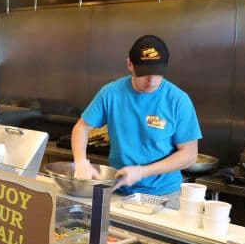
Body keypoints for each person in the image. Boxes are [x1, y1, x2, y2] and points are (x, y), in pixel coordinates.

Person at [71, 35, 201, 202]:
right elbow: (82, 128)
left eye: (157, 73)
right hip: (118, 190)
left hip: (164, 195)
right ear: (129, 65)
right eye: (144, 73)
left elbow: (189, 155)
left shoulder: (177, 100)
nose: (151, 81)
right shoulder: (111, 93)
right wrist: (81, 162)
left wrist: (142, 171)